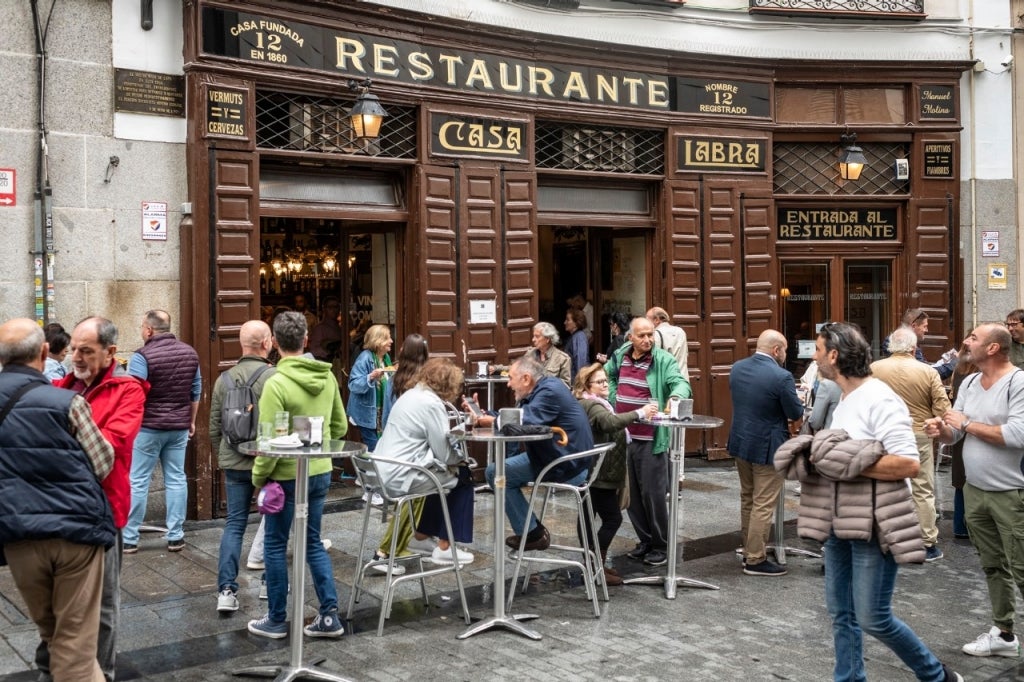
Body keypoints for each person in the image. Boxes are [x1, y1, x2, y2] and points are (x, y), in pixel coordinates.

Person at [806, 321, 963, 682]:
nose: (814, 357)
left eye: (817, 350)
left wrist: (843, 461)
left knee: (873, 617)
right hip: (842, 519)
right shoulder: (845, 398)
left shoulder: (880, 397)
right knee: (841, 613)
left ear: (834, 355)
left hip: (876, 523)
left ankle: (937, 676)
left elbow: (908, 463)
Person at [0, 318, 116, 682]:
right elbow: (103, 462)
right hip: (75, 534)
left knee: (54, 635)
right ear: (44, 352)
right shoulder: (67, 401)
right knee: (74, 647)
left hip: (18, 533)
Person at [47, 316, 146, 682]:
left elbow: (111, 445)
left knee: (103, 603)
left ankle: (103, 672)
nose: (76, 357)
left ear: (110, 352)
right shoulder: (61, 386)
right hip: (62, 508)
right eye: (74, 349)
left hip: (105, 507)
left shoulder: (128, 391)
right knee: (61, 603)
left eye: (86, 351)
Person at [925, 322, 1024, 659]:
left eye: (974, 338)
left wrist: (966, 424)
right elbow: (956, 434)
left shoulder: (1018, 381)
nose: (966, 342)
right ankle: (1004, 634)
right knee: (993, 566)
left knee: (1021, 569)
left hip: (1012, 492)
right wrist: (941, 430)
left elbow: (1017, 435)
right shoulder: (968, 381)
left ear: (993, 348)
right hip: (975, 490)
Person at [248, 312, 348, 639]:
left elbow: (268, 441)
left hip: (284, 473)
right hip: (319, 470)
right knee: (312, 541)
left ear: (275, 343)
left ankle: (277, 618)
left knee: (276, 544)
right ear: (306, 339)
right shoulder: (327, 377)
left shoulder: (276, 382)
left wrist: (259, 479)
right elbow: (340, 427)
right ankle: (329, 615)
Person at [480, 356, 595, 550]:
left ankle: (532, 533)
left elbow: (525, 421)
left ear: (526, 379)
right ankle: (531, 531)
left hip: (565, 464)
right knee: (496, 471)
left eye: (511, 378)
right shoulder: (542, 389)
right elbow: (517, 417)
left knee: (496, 473)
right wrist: (486, 415)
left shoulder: (549, 392)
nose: (508, 384)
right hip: (554, 457)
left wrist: (491, 421)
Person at [370, 358, 475, 566]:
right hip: (403, 474)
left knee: (440, 479)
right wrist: (462, 461)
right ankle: (445, 546)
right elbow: (444, 454)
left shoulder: (410, 395)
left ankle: (421, 536)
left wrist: (463, 428)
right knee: (463, 477)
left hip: (383, 470)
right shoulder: (432, 404)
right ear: (449, 385)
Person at [605, 316, 691, 567]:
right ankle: (645, 541)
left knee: (653, 495)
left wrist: (675, 397)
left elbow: (681, 383)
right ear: (630, 337)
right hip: (625, 436)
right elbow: (607, 375)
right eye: (641, 335)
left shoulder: (663, 359)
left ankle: (660, 545)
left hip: (651, 438)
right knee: (631, 495)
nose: (647, 340)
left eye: (650, 334)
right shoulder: (620, 356)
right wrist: (614, 396)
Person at [210, 320, 275, 613]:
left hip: (234, 460)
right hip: (267, 461)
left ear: (241, 343)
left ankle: (226, 591)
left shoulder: (223, 380)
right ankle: (269, 585)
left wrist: (224, 455)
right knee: (273, 523)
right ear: (266, 343)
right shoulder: (273, 377)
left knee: (234, 524)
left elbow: (214, 427)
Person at [727, 330, 804, 577]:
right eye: (785, 350)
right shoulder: (782, 376)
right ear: (776, 350)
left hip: (741, 441)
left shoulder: (737, 368)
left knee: (748, 498)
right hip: (768, 446)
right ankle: (755, 559)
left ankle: (749, 548)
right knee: (763, 503)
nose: (785, 354)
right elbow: (795, 412)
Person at [123, 309, 201, 553]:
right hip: (178, 426)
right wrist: (191, 421)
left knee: (138, 480)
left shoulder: (141, 356)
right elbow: (196, 390)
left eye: (142, 327)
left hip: (148, 427)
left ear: (149, 330)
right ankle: (176, 536)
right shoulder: (190, 353)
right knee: (176, 478)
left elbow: (133, 394)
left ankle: (129, 538)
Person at [871, 326, 951, 562]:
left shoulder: (874, 369)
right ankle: (925, 542)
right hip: (917, 433)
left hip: (883, 434)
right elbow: (943, 409)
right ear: (914, 348)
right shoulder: (927, 372)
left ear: (890, 347)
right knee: (922, 488)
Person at [574, 362, 657, 586]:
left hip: (592, 470)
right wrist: (640, 412)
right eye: (599, 382)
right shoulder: (593, 405)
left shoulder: (592, 402)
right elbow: (610, 423)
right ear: (587, 386)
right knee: (612, 519)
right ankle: (595, 567)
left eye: (605, 380)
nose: (605, 384)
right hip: (598, 474)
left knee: (587, 518)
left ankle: (593, 566)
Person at [370, 333, 433, 574]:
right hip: (411, 458)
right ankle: (388, 550)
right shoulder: (424, 384)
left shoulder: (394, 379)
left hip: (389, 455)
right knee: (433, 482)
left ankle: (418, 537)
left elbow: (387, 417)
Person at [346, 323, 394, 453]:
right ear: (378, 341)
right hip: (367, 416)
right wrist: (371, 377)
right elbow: (353, 385)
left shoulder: (386, 358)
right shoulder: (365, 358)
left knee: (380, 450)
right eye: (387, 338)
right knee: (376, 451)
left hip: (382, 415)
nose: (391, 341)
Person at [880, 308, 957, 380]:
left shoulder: (895, 343)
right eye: (925, 326)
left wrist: (943, 362)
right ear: (914, 326)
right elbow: (928, 375)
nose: (926, 330)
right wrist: (955, 363)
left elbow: (925, 369)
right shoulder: (907, 347)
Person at [646, 306, 689, 379]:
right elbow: (686, 354)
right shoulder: (681, 331)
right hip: (683, 377)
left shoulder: (655, 334)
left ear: (656, 320)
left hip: (667, 379)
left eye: (647, 320)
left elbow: (654, 360)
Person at [526, 321, 571, 387]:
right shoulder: (530, 354)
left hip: (550, 393)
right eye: (533, 336)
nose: (533, 340)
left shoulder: (562, 359)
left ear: (547, 339)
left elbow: (565, 386)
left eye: (537, 336)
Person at [308, 297, 343, 363]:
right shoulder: (319, 329)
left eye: (336, 307)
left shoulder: (340, 328)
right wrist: (330, 352)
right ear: (324, 309)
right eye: (330, 307)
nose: (333, 310)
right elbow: (314, 350)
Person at [564, 307, 589, 383]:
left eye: (568, 320)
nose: (565, 322)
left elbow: (580, 361)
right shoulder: (574, 336)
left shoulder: (579, 337)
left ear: (576, 323)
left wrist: (580, 383)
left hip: (576, 381)